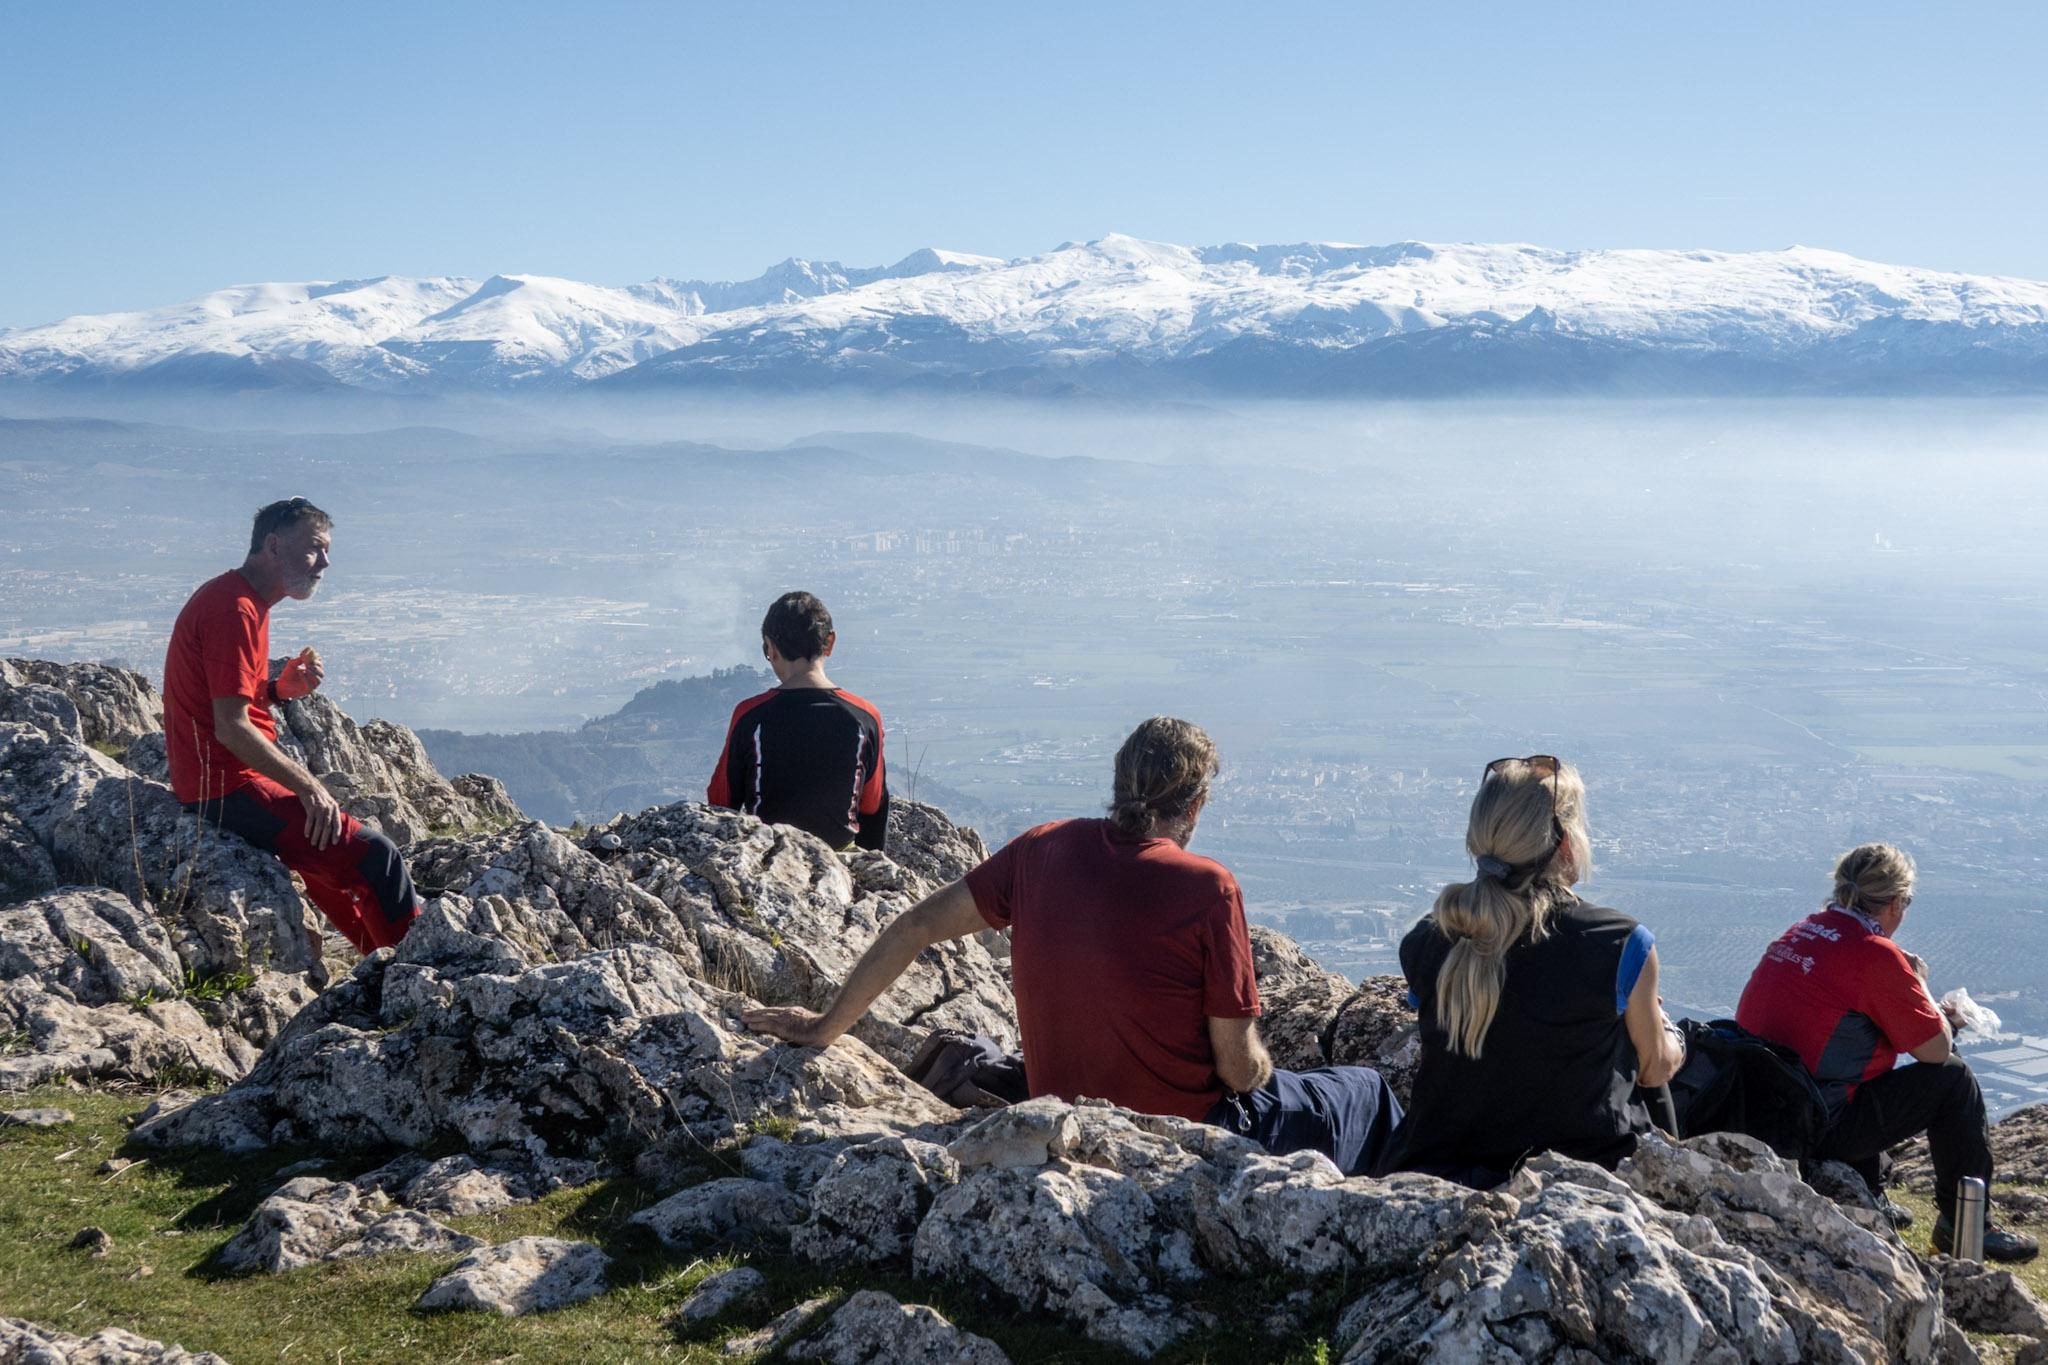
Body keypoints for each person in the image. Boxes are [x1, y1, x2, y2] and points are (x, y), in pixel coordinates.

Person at [743, 717, 1402, 1177]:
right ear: (1195, 804)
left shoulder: (1042, 849)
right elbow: (1235, 1070)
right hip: (1195, 1130)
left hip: (1062, 1114)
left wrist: (827, 1024)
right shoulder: (1209, 887)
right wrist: (1261, 1065)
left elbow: (914, 926)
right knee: (1366, 1091)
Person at [1381, 755, 1684, 1185]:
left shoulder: (1429, 940)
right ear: (1563, 844)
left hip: (1436, 1168)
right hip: (1578, 1184)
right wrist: (1672, 1034)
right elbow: (1656, 1068)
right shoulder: (1619, 943)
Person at [1737, 844, 2037, 1262]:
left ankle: (1868, 1195)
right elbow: (1935, 1051)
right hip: (1813, 1124)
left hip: (1760, 1108)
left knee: (1860, 1066)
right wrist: (1922, 988)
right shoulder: (1874, 953)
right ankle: (1966, 1225)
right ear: (1896, 903)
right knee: (1954, 1081)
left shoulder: (1806, 929)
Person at [162, 497, 421, 959]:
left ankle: (381, 967)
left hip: (216, 781)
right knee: (378, 857)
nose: (325, 562)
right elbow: (231, 729)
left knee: (323, 860)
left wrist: (278, 691)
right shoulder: (235, 610)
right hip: (229, 786)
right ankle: (423, 970)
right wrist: (310, 787)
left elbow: (223, 698)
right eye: (315, 549)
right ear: (274, 545)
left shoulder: (241, 600)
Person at [707, 592, 888, 851]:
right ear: (830, 642)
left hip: (766, 854)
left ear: (770, 647)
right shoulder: (865, 715)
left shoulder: (750, 714)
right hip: (839, 859)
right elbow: (871, 804)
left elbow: (721, 800)